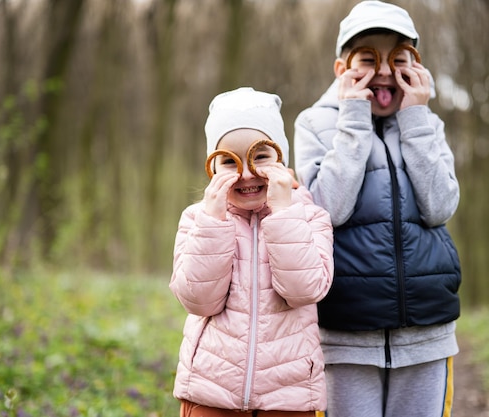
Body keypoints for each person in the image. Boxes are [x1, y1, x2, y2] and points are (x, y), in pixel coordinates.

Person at [293, 1, 461, 417]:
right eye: (368, 59)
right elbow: (327, 209)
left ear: (416, 65)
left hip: (426, 333)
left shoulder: (428, 123)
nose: (385, 71)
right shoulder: (314, 124)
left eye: (398, 59)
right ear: (341, 69)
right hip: (347, 334)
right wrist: (353, 120)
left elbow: (440, 206)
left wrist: (416, 119)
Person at [170, 87, 334, 417]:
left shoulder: (309, 216)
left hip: (289, 393)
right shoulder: (197, 219)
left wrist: (284, 214)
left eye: (260, 156)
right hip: (211, 389)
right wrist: (214, 223)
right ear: (211, 167)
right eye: (228, 161)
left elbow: (305, 291)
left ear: (281, 161)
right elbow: (199, 301)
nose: (246, 173)